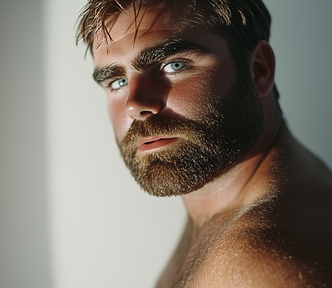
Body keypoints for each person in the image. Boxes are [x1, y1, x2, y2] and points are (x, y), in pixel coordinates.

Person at [76, 0, 332, 286]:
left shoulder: (262, 263)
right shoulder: (218, 196)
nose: (134, 105)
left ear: (258, 70)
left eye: (173, 65)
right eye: (117, 82)